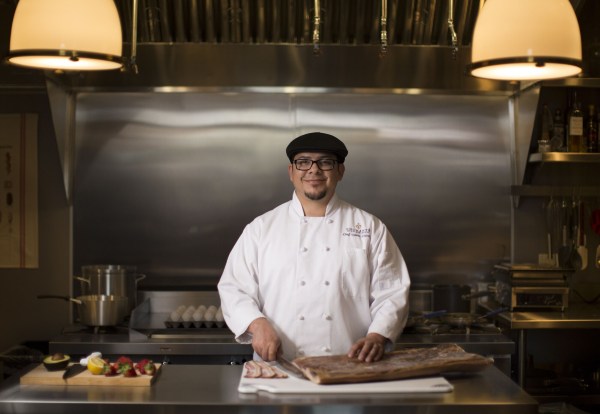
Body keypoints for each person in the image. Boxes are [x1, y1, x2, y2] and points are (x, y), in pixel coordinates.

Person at [218, 132, 410, 363]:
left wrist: (378, 335)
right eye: (303, 162)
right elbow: (234, 288)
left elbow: (391, 291)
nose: (314, 170)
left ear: (340, 171)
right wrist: (257, 325)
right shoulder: (261, 228)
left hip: (349, 365)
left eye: (326, 162)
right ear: (291, 172)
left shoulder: (370, 227)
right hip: (279, 366)